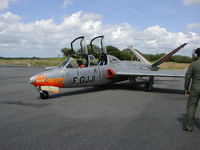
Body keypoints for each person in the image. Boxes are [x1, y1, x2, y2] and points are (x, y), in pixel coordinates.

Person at [183, 48, 200, 132]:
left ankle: (189, 127)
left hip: (195, 87)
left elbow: (188, 77)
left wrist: (186, 89)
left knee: (191, 107)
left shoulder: (193, 64)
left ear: (197, 54)